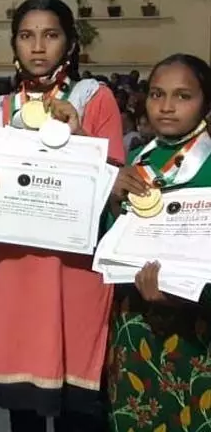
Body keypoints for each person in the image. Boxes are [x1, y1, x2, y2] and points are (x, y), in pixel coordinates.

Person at [0, 0, 124, 432]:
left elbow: (113, 183)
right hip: (15, 272)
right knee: (25, 412)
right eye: (26, 36)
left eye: (50, 35)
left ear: (70, 44)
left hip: (76, 274)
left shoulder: (94, 99)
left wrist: (79, 136)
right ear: (13, 45)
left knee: (81, 411)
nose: (38, 47)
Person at [106, 53, 211, 432]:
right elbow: (108, 243)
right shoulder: (137, 160)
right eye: (157, 94)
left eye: (183, 96)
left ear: (206, 101)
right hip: (136, 326)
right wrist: (114, 197)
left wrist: (185, 291)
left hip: (198, 330)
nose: (166, 107)